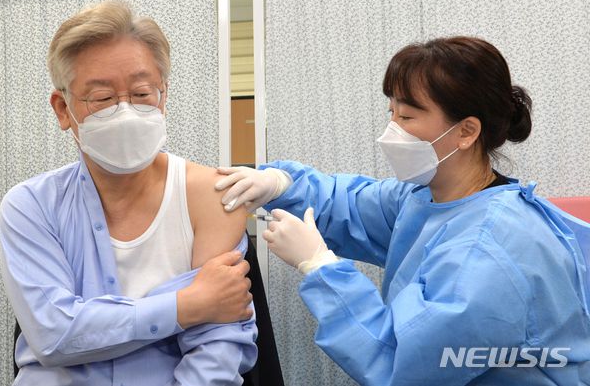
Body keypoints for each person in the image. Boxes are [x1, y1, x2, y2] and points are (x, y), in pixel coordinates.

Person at [215, 37, 590, 385]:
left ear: (466, 131)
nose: (391, 131)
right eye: (391, 112)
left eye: (407, 117)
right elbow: (352, 206)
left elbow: (399, 364)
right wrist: (282, 184)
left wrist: (320, 267)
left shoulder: (488, 251)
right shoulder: (429, 199)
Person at [0, 0, 257, 385]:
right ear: (63, 109)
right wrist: (186, 304)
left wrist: (95, 321)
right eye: (102, 99)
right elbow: (54, 335)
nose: (125, 112)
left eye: (141, 93)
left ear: (163, 96)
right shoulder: (31, 206)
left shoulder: (211, 196)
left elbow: (217, 350)